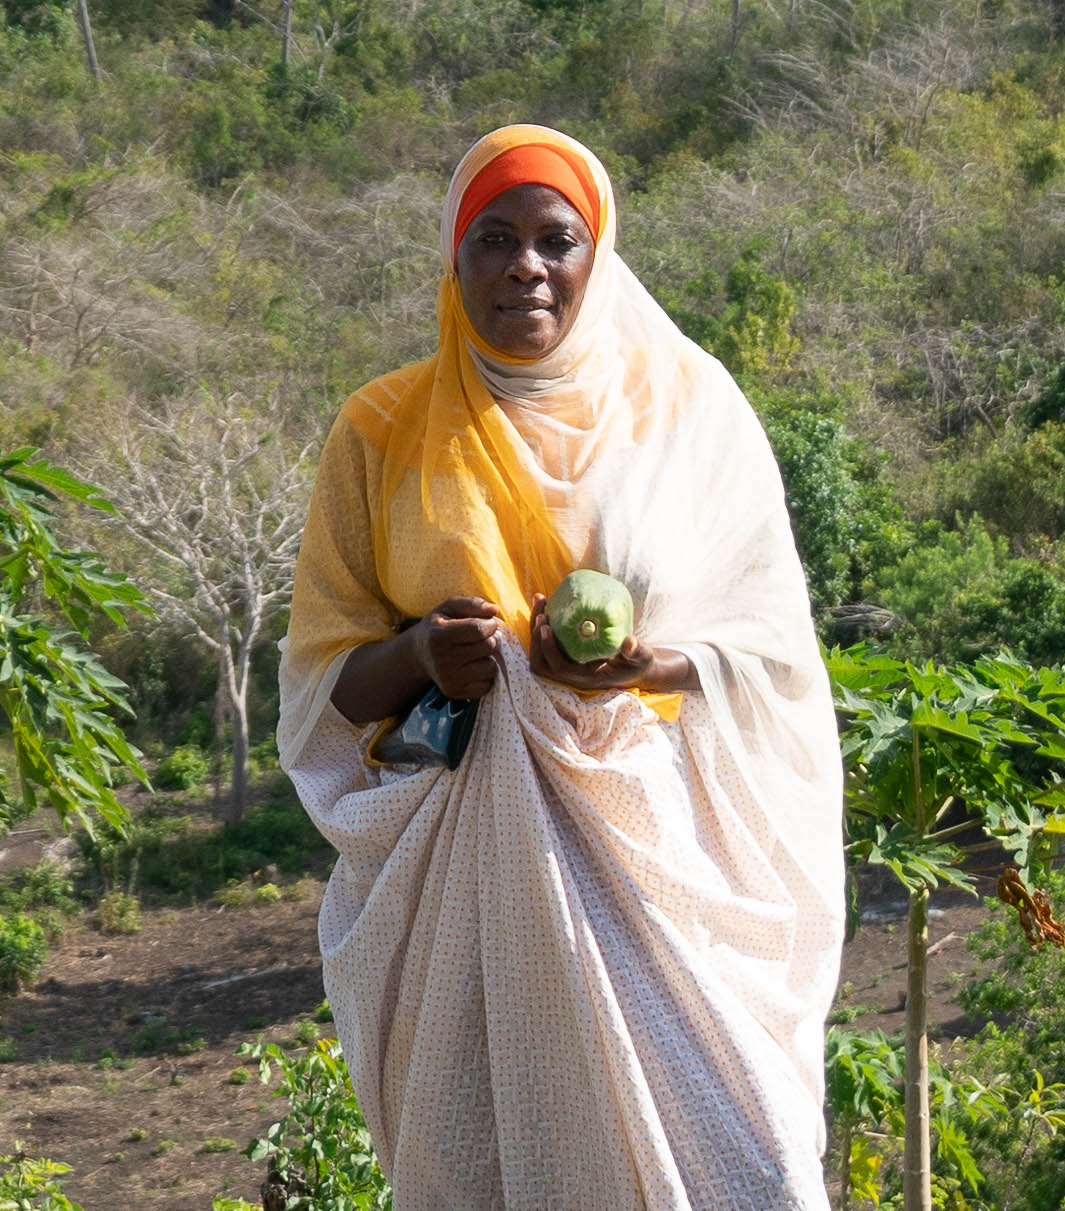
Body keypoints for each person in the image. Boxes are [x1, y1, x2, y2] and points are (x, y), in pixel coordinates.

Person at [277, 124, 845, 1211]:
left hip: (655, 847)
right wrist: (417, 652)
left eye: (556, 239)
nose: (524, 266)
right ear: (454, 258)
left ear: (600, 256)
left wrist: (642, 664)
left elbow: (773, 652)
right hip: (465, 871)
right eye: (493, 239)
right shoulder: (383, 429)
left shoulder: (686, 410)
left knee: (753, 1166)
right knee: (493, 1163)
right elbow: (322, 693)